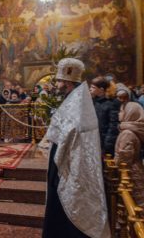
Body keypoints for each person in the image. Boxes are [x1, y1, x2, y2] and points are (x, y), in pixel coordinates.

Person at [43, 58, 110, 238]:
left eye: (59, 80)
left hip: (70, 163)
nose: (57, 84)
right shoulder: (75, 99)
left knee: (67, 202)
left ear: (67, 82)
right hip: (64, 158)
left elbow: (70, 131)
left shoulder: (77, 102)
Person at [114, 102, 144, 214]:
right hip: (137, 169)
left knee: (135, 206)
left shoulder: (127, 133)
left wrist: (116, 164)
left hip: (130, 173)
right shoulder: (136, 129)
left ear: (130, 113)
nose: (119, 113)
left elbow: (123, 160)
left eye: (121, 111)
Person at [89, 76, 120, 156]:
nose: (90, 89)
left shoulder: (112, 102)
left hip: (104, 141)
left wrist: (107, 144)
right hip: (94, 139)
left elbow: (113, 125)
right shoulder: (93, 100)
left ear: (101, 90)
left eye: (93, 87)